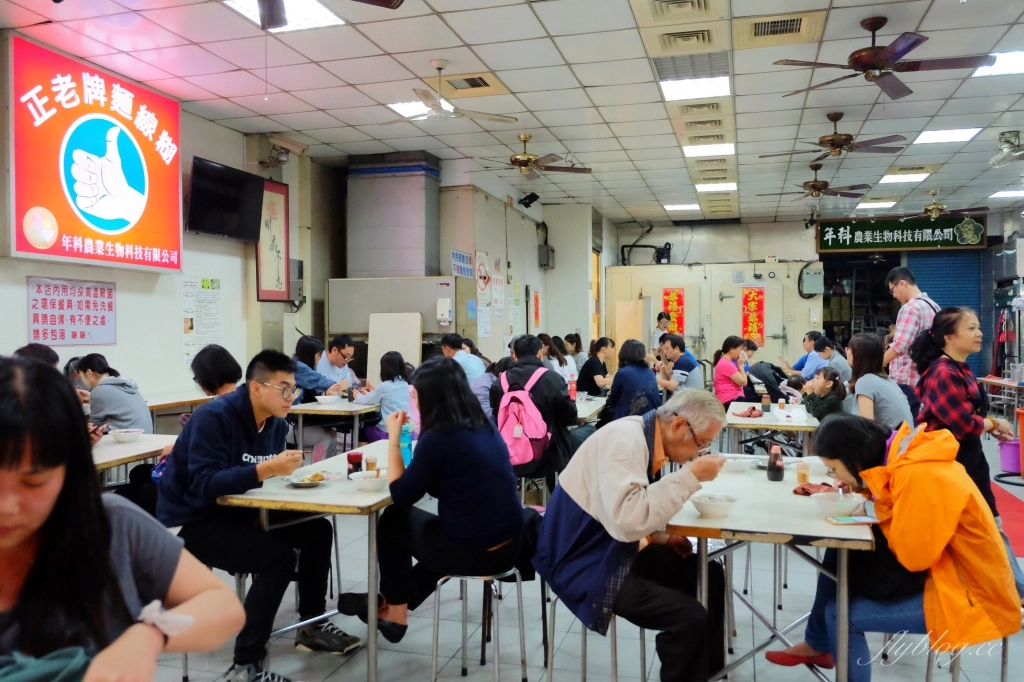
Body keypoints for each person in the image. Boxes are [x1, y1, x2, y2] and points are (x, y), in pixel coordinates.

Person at [0, 357, 245, 679]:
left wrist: (148, 635)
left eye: (34, 481)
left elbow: (222, 607)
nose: (6, 506)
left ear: (70, 470)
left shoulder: (109, 525)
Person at [766, 414, 1021, 682]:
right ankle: (817, 644)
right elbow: (895, 502)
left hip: (969, 591)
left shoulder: (917, 474)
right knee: (838, 555)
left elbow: (914, 557)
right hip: (949, 572)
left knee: (839, 614)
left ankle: (823, 644)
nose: (835, 476)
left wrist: (875, 506)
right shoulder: (906, 457)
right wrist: (865, 488)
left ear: (854, 459)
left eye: (834, 469)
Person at [157, 350, 361, 682]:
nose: (290, 396)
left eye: (292, 388)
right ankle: (245, 667)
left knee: (317, 531)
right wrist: (266, 468)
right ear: (255, 388)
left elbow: (264, 481)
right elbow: (204, 485)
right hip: (193, 519)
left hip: (241, 510)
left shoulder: (276, 425)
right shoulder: (214, 418)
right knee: (276, 558)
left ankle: (310, 626)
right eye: (283, 388)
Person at [534, 390, 729, 682]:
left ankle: (711, 675)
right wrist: (691, 477)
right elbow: (626, 519)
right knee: (688, 618)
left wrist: (662, 537)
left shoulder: (644, 436)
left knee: (710, 575)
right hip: (585, 558)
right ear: (678, 425)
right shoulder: (626, 441)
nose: (698, 452)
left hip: (612, 543)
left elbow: (623, 505)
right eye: (701, 443)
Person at [336, 357, 525, 642]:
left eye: (415, 395)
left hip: (474, 553)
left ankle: (395, 612)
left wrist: (394, 438)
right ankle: (387, 600)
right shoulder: (484, 425)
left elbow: (401, 495)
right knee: (439, 533)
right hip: (511, 546)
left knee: (394, 520)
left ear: (431, 398)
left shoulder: (439, 437)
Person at [910, 307, 1024, 596]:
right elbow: (960, 423)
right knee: (988, 528)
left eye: (978, 327)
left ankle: (1005, 589)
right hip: (952, 465)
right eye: (971, 328)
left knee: (985, 527)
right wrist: (992, 421)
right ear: (949, 336)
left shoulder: (957, 368)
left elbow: (966, 416)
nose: (980, 333)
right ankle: (1012, 591)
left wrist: (988, 425)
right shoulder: (943, 373)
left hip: (966, 461)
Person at [490, 335, 586, 478]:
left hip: (511, 455)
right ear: (540, 352)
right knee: (588, 431)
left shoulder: (500, 382)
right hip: (550, 455)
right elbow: (570, 417)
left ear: (515, 354)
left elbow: (497, 416)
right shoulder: (552, 378)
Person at [884, 266, 940, 392]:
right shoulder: (934, 306)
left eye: (892, 290)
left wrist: (876, 365)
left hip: (908, 382)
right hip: (927, 379)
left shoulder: (909, 309)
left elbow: (899, 346)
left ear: (902, 283)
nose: (894, 295)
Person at [845, 333, 913, 430]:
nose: (846, 352)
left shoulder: (865, 382)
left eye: (848, 349)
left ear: (857, 354)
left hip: (893, 443)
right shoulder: (885, 380)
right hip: (904, 441)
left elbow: (866, 429)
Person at [77, 354, 153, 433]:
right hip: (145, 436)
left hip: (128, 439)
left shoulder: (99, 391)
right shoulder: (122, 382)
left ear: (89, 372)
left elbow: (93, 427)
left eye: (81, 376)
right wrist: (91, 397)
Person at [355, 351, 411, 442]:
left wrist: (356, 395)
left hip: (388, 433)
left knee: (362, 431)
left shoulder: (384, 386)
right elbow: (387, 398)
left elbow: (365, 400)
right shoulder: (405, 384)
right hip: (407, 431)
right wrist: (372, 392)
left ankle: (367, 456)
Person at [606, 340, 661, 421]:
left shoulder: (622, 373)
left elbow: (612, 399)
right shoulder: (650, 372)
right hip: (651, 419)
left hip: (628, 421)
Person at [292, 336, 346, 403]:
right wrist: (337, 385)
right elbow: (317, 379)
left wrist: (325, 393)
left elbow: (311, 393)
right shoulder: (298, 366)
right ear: (309, 355)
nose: (320, 358)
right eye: (319, 355)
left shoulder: (304, 365)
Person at [713, 336, 748, 409]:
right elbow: (743, 382)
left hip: (732, 397)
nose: (741, 352)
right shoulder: (726, 364)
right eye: (740, 349)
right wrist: (741, 366)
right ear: (732, 349)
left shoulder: (727, 361)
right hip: (729, 400)